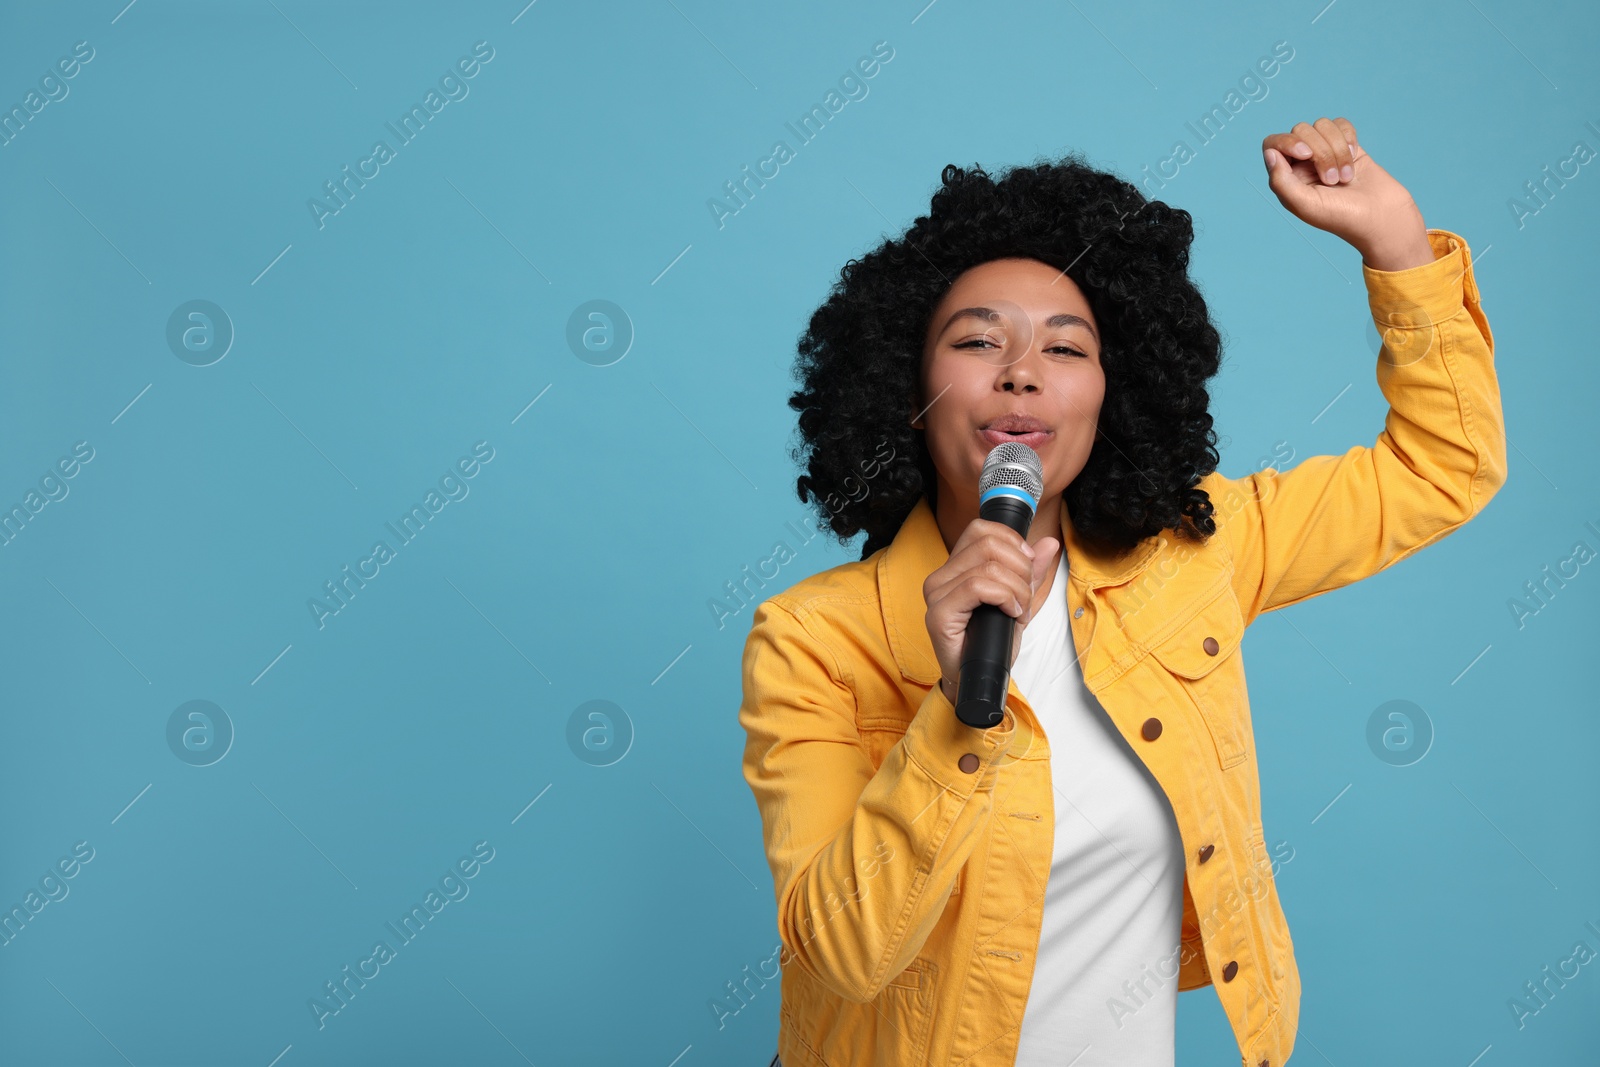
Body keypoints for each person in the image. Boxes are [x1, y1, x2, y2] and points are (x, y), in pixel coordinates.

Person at [738, 117, 1506, 1067]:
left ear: (1114, 393)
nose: (1022, 369)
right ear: (908, 389)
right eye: (980, 341)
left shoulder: (1196, 557)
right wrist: (952, 711)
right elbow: (843, 952)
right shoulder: (814, 636)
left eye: (1066, 350)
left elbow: (1445, 464)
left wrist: (1394, 240)